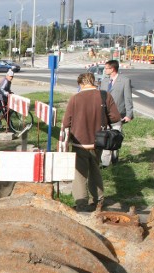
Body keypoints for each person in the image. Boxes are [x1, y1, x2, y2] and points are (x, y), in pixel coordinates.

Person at [61, 73, 121, 211]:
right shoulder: (104, 96)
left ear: (81, 84)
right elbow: (115, 117)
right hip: (98, 141)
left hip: (79, 142)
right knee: (95, 170)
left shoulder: (75, 99)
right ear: (93, 82)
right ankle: (98, 201)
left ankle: (81, 203)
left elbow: (66, 122)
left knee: (80, 174)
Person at [99, 59, 133, 167]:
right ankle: (105, 163)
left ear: (112, 69)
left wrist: (129, 114)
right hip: (104, 115)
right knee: (106, 137)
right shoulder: (104, 81)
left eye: (106, 68)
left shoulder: (124, 80)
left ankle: (114, 158)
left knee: (115, 136)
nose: (105, 70)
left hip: (118, 114)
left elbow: (128, 98)